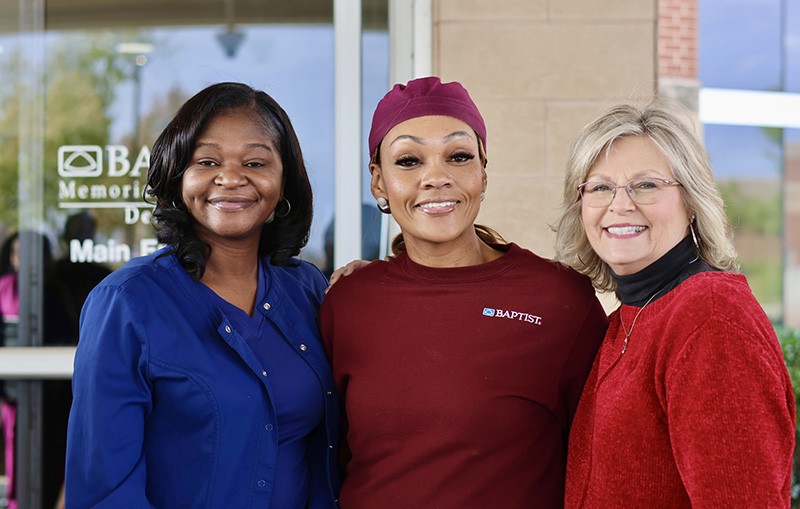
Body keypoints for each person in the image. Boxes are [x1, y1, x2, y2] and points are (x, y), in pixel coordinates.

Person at [319, 76, 608, 508]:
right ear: (378, 183)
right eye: (409, 161)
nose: (436, 177)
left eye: (458, 156)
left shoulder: (559, 300)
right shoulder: (347, 302)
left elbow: (600, 462)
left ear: (483, 173)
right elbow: (327, 455)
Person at [66, 82, 340, 508]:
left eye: (255, 162)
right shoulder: (126, 302)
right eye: (207, 161)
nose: (230, 178)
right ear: (178, 176)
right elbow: (105, 489)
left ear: (283, 181)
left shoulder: (307, 289)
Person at [553, 100, 795, 507]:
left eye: (646, 185)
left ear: (692, 202)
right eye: (600, 187)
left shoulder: (710, 317)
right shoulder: (628, 319)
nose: (620, 204)